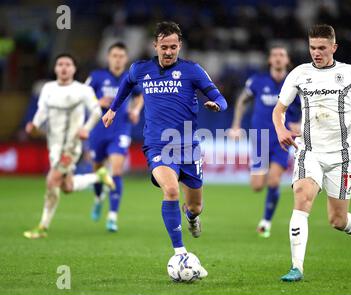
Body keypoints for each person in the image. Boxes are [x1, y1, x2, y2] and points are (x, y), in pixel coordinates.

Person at [102, 21, 228, 278]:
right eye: (164, 47)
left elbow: (221, 99)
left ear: (179, 46)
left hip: (189, 147)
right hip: (157, 145)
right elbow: (126, 84)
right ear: (155, 45)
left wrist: (217, 105)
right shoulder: (141, 69)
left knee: (195, 206)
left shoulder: (193, 71)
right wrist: (113, 109)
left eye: (173, 47)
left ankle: (191, 217)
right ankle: (179, 252)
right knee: (170, 190)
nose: (169, 52)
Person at [273, 24, 351, 282]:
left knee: (337, 220)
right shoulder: (299, 74)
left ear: (333, 47)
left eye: (322, 48)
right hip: (310, 151)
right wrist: (280, 128)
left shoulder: (350, 73)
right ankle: (297, 268)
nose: (316, 53)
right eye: (312, 47)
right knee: (302, 197)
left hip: (341, 154)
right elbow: (278, 109)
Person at [23, 54, 115, 239]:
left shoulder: (82, 90)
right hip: (54, 145)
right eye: (60, 64)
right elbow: (42, 111)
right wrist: (34, 125)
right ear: (56, 68)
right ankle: (98, 176)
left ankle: (42, 227)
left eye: (68, 64)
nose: (64, 67)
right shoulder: (48, 88)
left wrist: (85, 129)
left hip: (71, 145)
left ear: (74, 69)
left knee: (52, 180)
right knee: (67, 186)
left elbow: (97, 111)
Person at [230, 45, 301, 238]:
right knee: (257, 186)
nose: (278, 58)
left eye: (282, 55)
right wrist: (236, 125)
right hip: (260, 138)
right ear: (270, 60)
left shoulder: (295, 83)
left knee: (274, 180)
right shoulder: (257, 81)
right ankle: (263, 177)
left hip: (283, 139)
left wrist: (300, 124)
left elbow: (309, 107)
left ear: (287, 61)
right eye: (275, 55)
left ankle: (265, 222)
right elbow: (242, 101)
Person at [86, 42, 144, 232]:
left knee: (117, 171)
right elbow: (82, 96)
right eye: (114, 55)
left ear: (126, 59)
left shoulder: (131, 78)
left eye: (121, 56)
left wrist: (135, 110)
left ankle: (112, 216)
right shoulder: (97, 76)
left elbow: (140, 96)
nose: (118, 59)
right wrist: (97, 101)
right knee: (98, 171)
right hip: (98, 130)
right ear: (108, 57)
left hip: (120, 130)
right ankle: (98, 198)